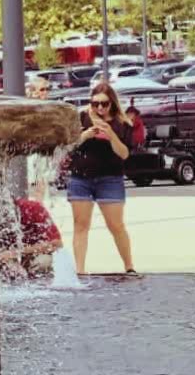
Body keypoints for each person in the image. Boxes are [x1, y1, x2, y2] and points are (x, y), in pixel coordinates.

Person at [65, 80, 136, 275]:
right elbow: (68, 146)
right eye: (95, 103)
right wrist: (85, 136)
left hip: (110, 178)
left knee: (116, 225)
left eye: (104, 104)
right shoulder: (81, 119)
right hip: (81, 178)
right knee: (80, 224)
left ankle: (129, 266)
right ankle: (79, 270)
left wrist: (111, 135)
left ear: (112, 103)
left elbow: (124, 154)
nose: (99, 108)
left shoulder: (122, 124)